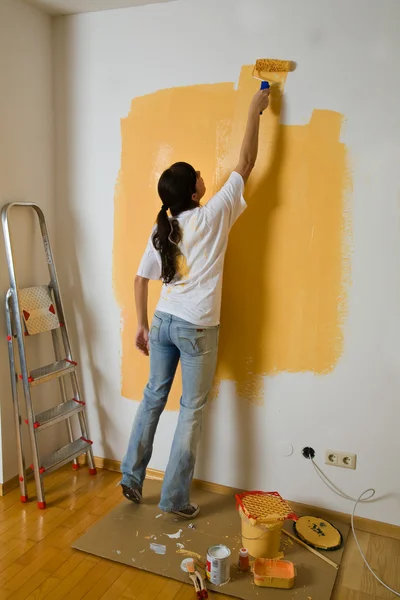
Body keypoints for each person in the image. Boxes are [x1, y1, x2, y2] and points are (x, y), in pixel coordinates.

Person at [120, 87, 270, 518]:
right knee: (190, 410)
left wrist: (141, 325)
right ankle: (172, 499)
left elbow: (139, 278)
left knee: (153, 397)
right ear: (192, 190)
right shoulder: (212, 217)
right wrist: (254, 112)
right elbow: (246, 163)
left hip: (165, 321)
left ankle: (131, 477)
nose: (206, 175)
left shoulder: (164, 227)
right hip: (197, 328)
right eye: (198, 174)